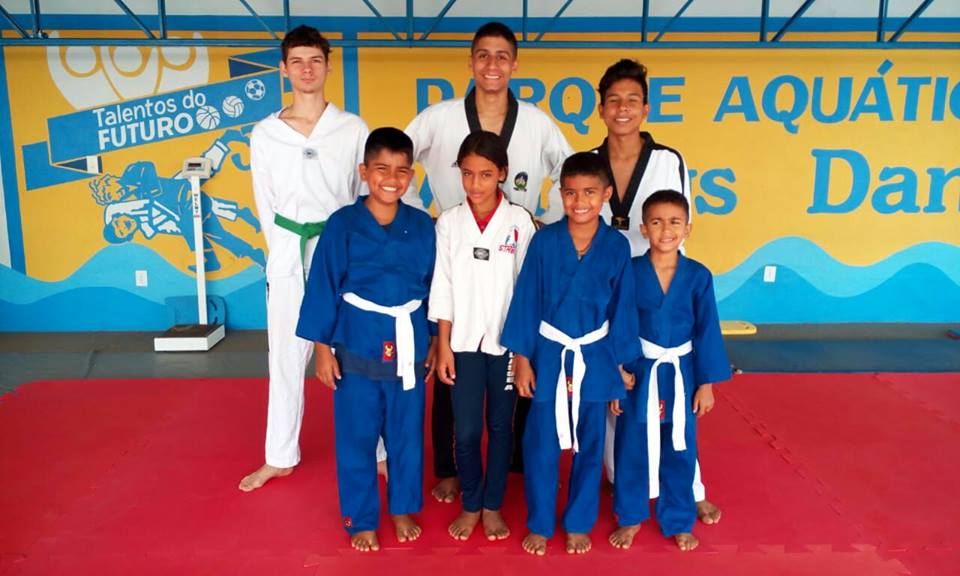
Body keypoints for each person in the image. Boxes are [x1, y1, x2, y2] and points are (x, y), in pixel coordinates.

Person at [405, 21, 574, 502]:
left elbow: (571, 169)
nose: (492, 65)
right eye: (483, 55)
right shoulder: (438, 117)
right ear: (471, 61)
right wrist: (420, 213)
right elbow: (400, 155)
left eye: (502, 56)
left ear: (515, 64)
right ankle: (449, 468)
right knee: (449, 370)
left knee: (513, 371)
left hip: (513, 243)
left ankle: (509, 469)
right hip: (454, 239)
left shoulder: (538, 123)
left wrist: (546, 219)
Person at [239, 25, 376, 492]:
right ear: (283, 69)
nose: (306, 69)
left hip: (342, 252)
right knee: (284, 353)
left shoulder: (352, 128)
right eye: (296, 61)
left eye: (314, 61)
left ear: (328, 67)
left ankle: (375, 450)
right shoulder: (265, 134)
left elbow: (365, 196)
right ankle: (279, 454)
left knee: (357, 352)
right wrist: (280, 255)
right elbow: (265, 203)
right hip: (288, 251)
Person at [296, 127, 437, 552]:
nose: (391, 179)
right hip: (357, 341)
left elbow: (434, 286)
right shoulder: (343, 225)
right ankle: (360, 518)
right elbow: (322, 285)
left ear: (412, 175)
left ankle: (401, 507)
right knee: (357, 436)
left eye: (401, 170)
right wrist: (322, 351)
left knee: (407, 434)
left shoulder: (422, 225)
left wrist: (433, 337)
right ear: (364, 172)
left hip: (409, 342)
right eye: (381, 169)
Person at [593, 58, 721, 525]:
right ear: (601, 108)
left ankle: (690, 487)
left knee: (677, 404)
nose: (622, 109)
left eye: (632, 100)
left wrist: (672, 267)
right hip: (606, 281)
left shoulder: (669, 161)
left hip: (658, 277)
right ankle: (619, 475)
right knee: (616, 385)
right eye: (613, 101)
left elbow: (678, 217)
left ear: (645, 108)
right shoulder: (591, 162)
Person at [501, 152, 640, 555]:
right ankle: (541, 523)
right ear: (560, 194)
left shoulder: (616, 247)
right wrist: (522, 359)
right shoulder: (544, 241)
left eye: (590, 193)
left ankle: (579, 521)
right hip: (548, 353)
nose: (580, 202)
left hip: (595, 356)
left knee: (590, 444)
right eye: (571, 193)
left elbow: (623, 309)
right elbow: (526, 297)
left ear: (607, 194)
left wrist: (621, 367)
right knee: (540, 442)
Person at [608, 190, 732, 552]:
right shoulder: (629, 272)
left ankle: (678, 518)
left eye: (675, 222)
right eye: (657, 222)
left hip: (681, 371)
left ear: (688, 228)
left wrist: (706, 383)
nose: (666, 229)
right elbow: (618, 324)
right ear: (643, 229)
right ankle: (630, 517)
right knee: (631, 445)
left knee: (679, 445)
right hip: (639, 371)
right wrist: (618, 372)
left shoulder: (698, 276)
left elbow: (707, 329)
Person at [430, 131, 536, 542]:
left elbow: (527, 291)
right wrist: (442, 344)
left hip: (506, 344)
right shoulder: (450, 223)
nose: (475, 185)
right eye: (468, 174)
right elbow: (443, 284)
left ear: (503, 174)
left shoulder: (519, 223)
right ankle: (471, 502)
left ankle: (492, 506)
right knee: (468, 429)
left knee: (502, 427)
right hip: (462, 344)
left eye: (486, 175)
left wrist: (524, 351)